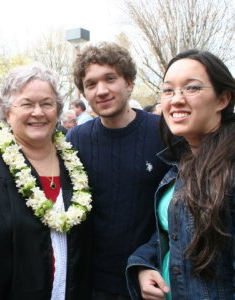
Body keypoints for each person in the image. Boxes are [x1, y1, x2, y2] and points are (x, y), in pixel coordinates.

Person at [126, 50, 235, 299]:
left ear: (223, 99)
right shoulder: (181, 163)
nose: (176, 100)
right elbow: (174, 232)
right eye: (168, 90)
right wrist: (144, 264)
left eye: (191, 88)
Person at [0, 63, 92, 300]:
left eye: (47, 104)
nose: (38, 112)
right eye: (27, 104)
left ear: (57, 110)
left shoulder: (74, 161)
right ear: (6, 111)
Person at [66, 42, 168, 299]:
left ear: (129, 82)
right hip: (91, 283)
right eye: (91, 84)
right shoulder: (76, 139)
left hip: (149, 279)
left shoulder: (163, 133)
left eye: (110, 78)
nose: (101, 90)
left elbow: (179, 210)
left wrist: (149, 258)